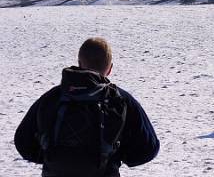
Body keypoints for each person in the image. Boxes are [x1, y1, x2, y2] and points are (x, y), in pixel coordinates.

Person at [14, 37, 160, 177]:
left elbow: (22, 141)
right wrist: (119, 155)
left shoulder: (53, 97)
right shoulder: (120, 99)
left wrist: (51, 157)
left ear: (79, 63)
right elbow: (149, 148)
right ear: (109, 68)